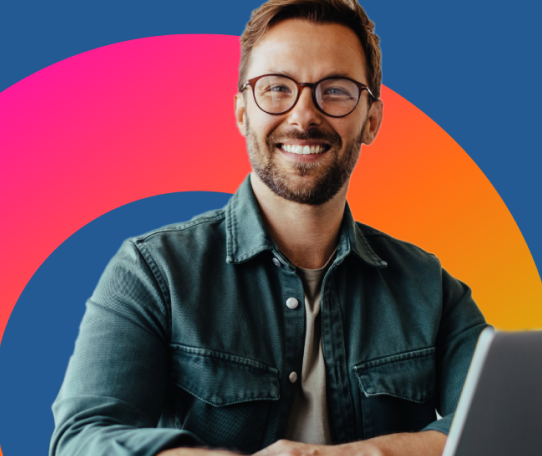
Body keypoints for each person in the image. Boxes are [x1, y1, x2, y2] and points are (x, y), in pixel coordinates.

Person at [50, 1, 488, 455]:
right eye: (277, 88)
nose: (303, 117)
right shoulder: (153, 273)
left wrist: (358, 455)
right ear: (242, 112)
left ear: (371, 119)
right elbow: (84, 439)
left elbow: (501, 425)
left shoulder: (429, 287)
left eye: (335, 90)